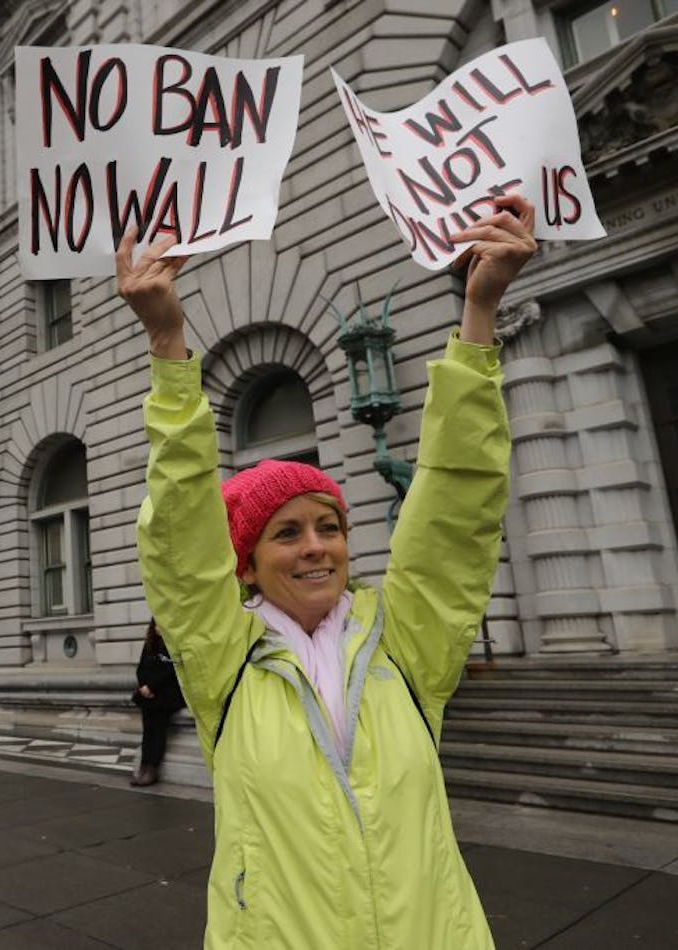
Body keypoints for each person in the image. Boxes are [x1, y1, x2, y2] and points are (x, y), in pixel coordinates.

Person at [120, 193, 537, 949]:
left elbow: (456, 504)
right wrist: (167, 341)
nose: (316, 546)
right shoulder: (225, 661)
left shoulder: (406, 641)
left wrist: (479, 315)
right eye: (286, 533)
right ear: (244, 564)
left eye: (330, 527)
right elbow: (181, 533)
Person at [130, 619, 185, 787]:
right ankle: (143, 767)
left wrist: (151, 686)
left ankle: (152, 769)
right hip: (149, 695)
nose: (158, 628)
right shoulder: (149, 645)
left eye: (161, 625)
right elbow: (141, 669)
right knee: (148, 732)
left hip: (166, 696)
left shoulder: (173, 646)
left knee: (159, 731)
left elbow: (170, 672)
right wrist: (144, 686)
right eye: (156, 625)